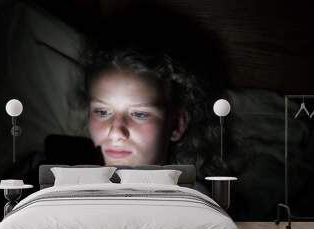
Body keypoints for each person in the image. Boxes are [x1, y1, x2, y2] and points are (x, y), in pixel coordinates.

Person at [79, 47, 221, 175]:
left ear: (176, 124)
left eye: (140, 114)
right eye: (102, 112)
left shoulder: (195, 201)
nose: (115, 133)